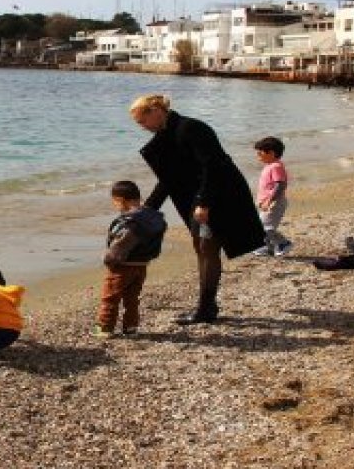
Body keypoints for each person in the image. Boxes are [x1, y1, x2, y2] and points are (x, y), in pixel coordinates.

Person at [129, 94, 265, 325]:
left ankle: (206, 309)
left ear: (155, 111)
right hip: (199, 198)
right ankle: (207, 306)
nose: (142, 128)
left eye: (142, 122)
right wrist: (148, 208)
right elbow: (168, 177)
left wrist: (204, 202)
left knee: (207, 247)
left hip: (219, 195)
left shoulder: (191, 128)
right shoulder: (167, 134)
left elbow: (213, 166)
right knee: (201, 247)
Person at [96, 180, 167, 338]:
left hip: (122, 266)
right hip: (142, 265)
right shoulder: (150, 217)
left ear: (120, 200)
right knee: (132, 298)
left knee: (110, 297)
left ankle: (104, 328)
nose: (116, 206)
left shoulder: (130, 223)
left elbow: (119, 247)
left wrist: (108, 259)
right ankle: (130, 327)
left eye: (115, 202)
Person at [253, 136, 294, 257]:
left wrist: (269, 201)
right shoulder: (270, 166)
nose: (258, 156)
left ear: (271, 153)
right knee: (261, 226)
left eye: (260, 153)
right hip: (267, 203)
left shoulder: (276, 166)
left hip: (275, 203)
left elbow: (280, 185)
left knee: (266, 227)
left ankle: (283, 243)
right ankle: (268, 247)